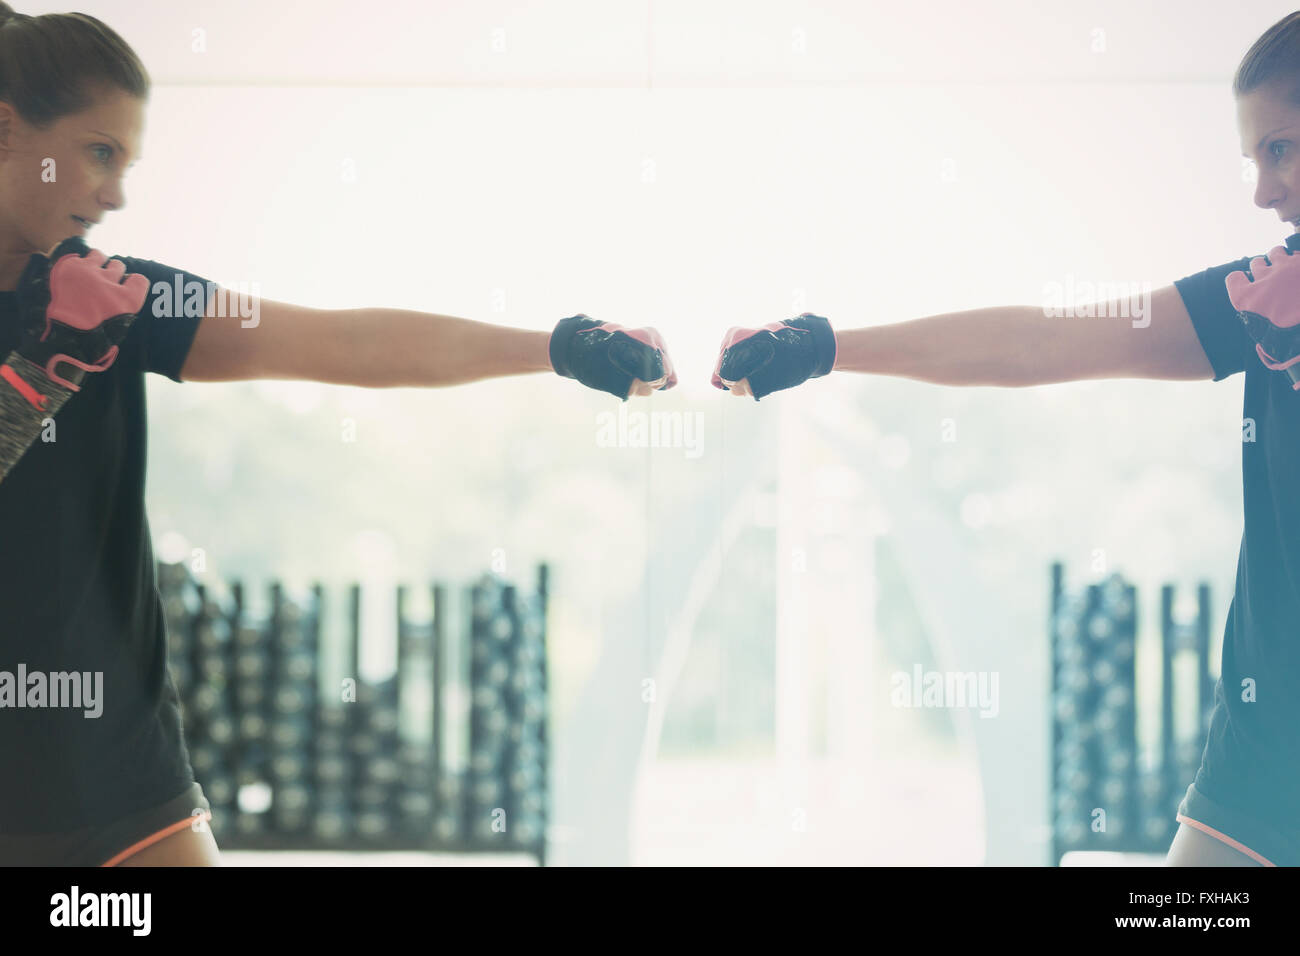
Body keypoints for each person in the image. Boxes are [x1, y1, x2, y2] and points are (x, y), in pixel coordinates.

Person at [0, 4, 675, 866]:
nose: (117, 192)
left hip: (123, 787)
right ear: (9, 129)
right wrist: (47, 362)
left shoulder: (125, 298)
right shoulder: (80, 319)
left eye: (128, 162)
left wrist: (557, 346)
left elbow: (343, 341)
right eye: (100, 151)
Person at [712, 12, 1300, 869]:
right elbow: (1047, 341)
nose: (1261, 192)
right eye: (1253, 161)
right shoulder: (1268, 298)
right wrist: (827, 346)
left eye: (1280, 149)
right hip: (1258, 769)